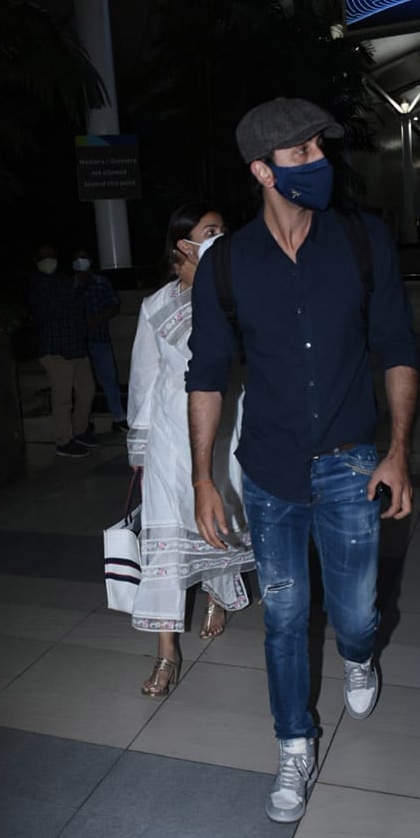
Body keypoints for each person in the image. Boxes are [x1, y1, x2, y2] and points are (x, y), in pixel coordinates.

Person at [186, 98, 420, 823]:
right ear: (262, 170)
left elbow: (399, 347)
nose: (318, 164)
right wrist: (203, 476)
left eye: (321, 150)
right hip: (269, 470)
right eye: (300, 155)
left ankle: (360, 653)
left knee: (354, 613)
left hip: (352, 462)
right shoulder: (224, 267)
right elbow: (206, 374)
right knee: (285, 616)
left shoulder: (361, 240)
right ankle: (294, 743)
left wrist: (399, 452)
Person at [127, 202, 255, 698]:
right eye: (211, 231)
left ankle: (217, 596)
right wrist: (140, 448)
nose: (222, 236)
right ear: (184, 244)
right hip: (168, 434)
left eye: (224, 228)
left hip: (224, 429)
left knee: (217, 519)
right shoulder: (156, 305)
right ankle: (166, 652)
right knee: (164, 536)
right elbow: (144, 377)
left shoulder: (234, 293)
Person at [29, 245, 97, 458]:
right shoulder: (38, 283)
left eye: (51, 256)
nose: (48, 260)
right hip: (56, 350)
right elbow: (58, 307)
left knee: (87, 390)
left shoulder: (62, 280)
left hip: (76, 348)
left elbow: (78, 301)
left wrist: (79, 283)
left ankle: (79, 430)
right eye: (43, 257)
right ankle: (64, 440)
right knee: (63, 399)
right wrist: (77, 284)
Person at [72, 248, 129, 435]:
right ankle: (85, 422)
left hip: (100, 340)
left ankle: (118, 418)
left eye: (84, 258)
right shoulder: (70, 285)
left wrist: (100, 318)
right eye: (77, 259)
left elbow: (114, 306)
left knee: (109, 379)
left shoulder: (101, 283)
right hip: (78, 344)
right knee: (82, 384)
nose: (81, 261)